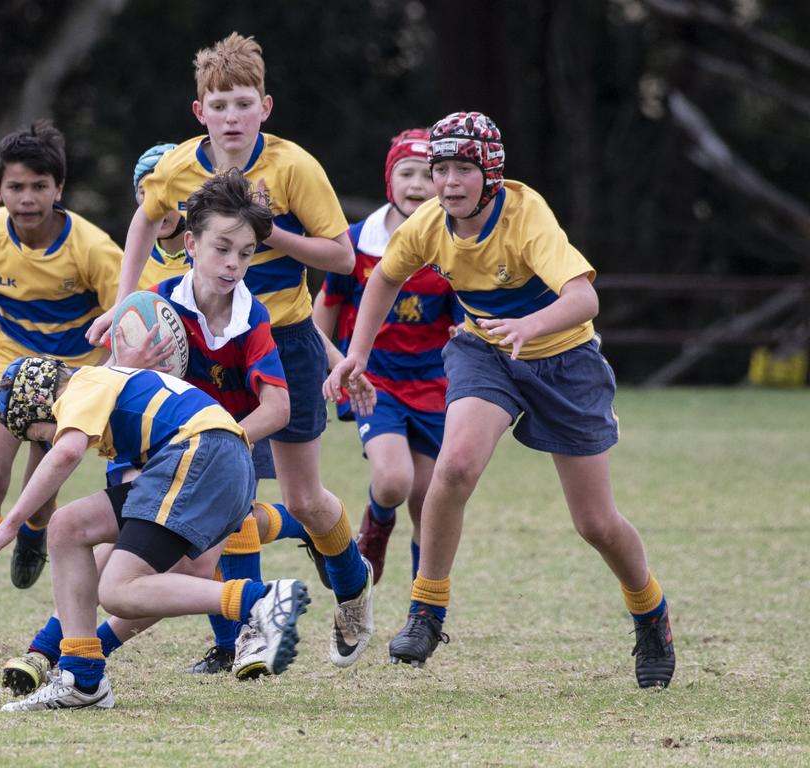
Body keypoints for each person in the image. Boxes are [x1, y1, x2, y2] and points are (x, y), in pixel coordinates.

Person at [325, 111, 676, 688]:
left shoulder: (524, 212)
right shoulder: (430, 224)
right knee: (455, 466)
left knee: (594, 523)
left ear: (490, 173)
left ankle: (650, 614)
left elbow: (583, 298)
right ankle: (427, 611)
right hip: (485, 353)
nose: (449, 182)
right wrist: (356, 353)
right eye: (441, 168)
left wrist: (530, 326)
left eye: (463, 168)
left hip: (565, 362)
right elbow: (385, 278)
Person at [87, 32, 373, 668]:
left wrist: (269, 233)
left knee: (302, 498)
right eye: (219, 105)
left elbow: (343, 256)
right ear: (200, 113)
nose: (232, 117)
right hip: (201, 339)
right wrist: (123, 301)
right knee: (226, 494)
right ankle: (237, 640)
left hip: (285, 338)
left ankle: (352, 581)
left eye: (244, 103)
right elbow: (141, 218)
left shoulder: (294, 167)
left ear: (265, 107)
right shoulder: (178, 167)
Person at [1, 170, 324, 693]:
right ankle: (62, 657)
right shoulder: (153, 306)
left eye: (245, 253)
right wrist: (128, 363)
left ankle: (250, 609)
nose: (233, 264)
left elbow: (278, 407)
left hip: (206, 452)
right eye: (223, 248)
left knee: (127, 580)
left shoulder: (251, 316)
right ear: (190, 244)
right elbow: (114, 386)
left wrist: (224, 438)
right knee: (89, 541)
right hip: (162, 453)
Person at [0, 355, 311, 711]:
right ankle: (82, 678)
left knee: (117, 590)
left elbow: (67, 452)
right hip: (222, 460)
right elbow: (187, 559)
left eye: (38, 437)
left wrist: (9, 525)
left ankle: (260, 601)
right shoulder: (114, 392)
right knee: (68, 526)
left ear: (41, 407)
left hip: (201, 452)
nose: (45, 445)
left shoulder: (81, 387)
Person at [0, 120, 122, 658]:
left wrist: (97, 378)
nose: (27, 198)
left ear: (58, 189)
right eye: (16, 187)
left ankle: (34, 529)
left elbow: (129, 315)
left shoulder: (93, 249)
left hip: (75, 377)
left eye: (39, 186)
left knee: (41, 490)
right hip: (8, 368)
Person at [313, 128, 458, 587]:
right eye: (406, 172)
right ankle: (376, 524)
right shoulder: (358, 243)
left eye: (426, 174)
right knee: (394, 480)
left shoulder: (453, 246)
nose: (416, 184)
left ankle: (424, 604)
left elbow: (462, 321)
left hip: (436, 386)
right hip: (375, 383)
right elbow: (321, 316)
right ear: (389, 181)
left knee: (427, 498)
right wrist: (334, 361)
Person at [132, 142, 192, 289]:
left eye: (166, 192)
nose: (156, 203)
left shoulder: (215, 255)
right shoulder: (131, 261)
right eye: (143, 192)